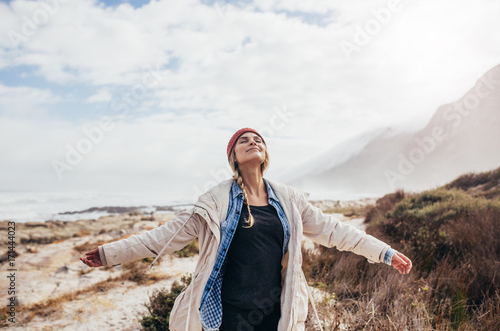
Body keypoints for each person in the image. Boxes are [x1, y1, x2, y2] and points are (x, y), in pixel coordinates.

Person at [80, 127, 412, 331]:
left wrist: (384, 252)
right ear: (234, 157)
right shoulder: (216, 202)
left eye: (257, 139)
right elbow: (165, 236)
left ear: (264, 153)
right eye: (243, 140)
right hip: (229, 313)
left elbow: (336, 231)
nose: (252, 142)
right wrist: (111, 253)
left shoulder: (289, 200)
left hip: (275, 312)